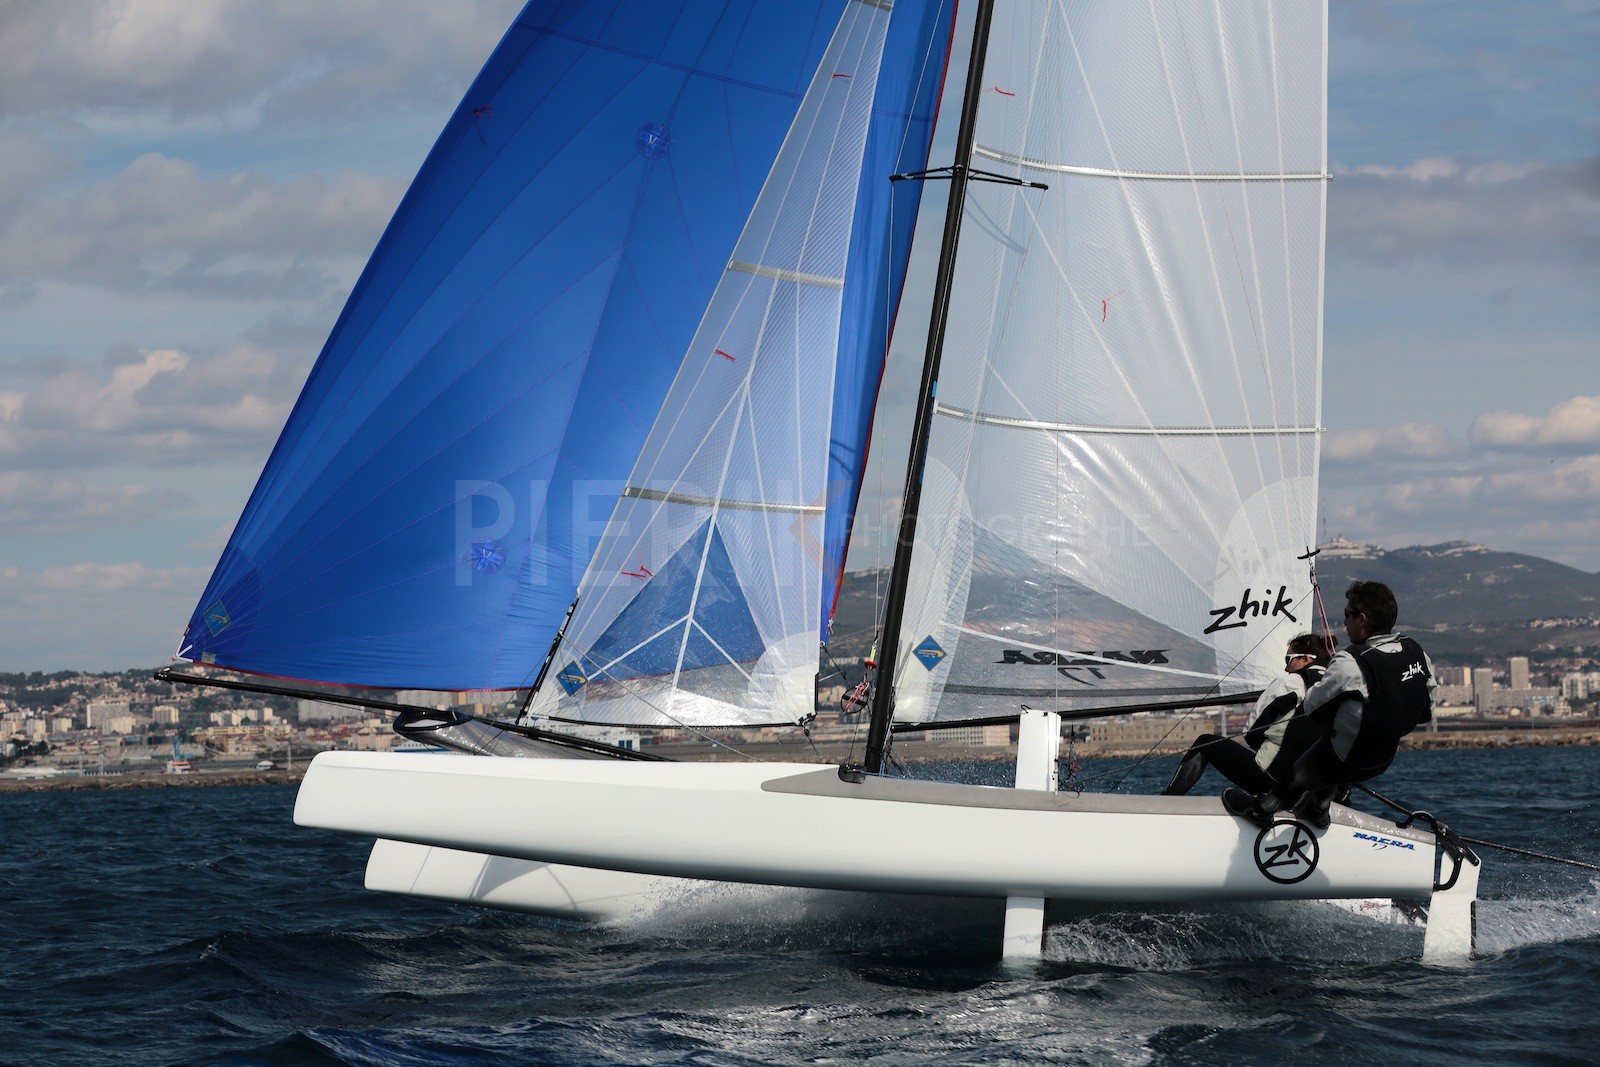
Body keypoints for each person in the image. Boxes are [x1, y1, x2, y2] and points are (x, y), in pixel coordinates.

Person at [1223, 580, 1436, 831]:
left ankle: (1263, 809)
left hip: (1344, 760)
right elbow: (1427, 710)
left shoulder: (1350, 662)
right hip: (1383, 760)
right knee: (1335, 744)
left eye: (1347, 614)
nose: (1344, 623)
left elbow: (1312, 707)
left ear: (1362, 619)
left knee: (1311, 761)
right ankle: (1319, 808)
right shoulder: (1418, 653)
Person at [1161, 633, 1333, 796]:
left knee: (1204, 742)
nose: (1286, 668)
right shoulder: (1336, 687)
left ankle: (1168, 800)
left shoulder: (1291, 681)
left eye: (1288, 660)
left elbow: (1251, 732)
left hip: (1270, 779)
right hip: (1309, 789)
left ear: (1306, 659)